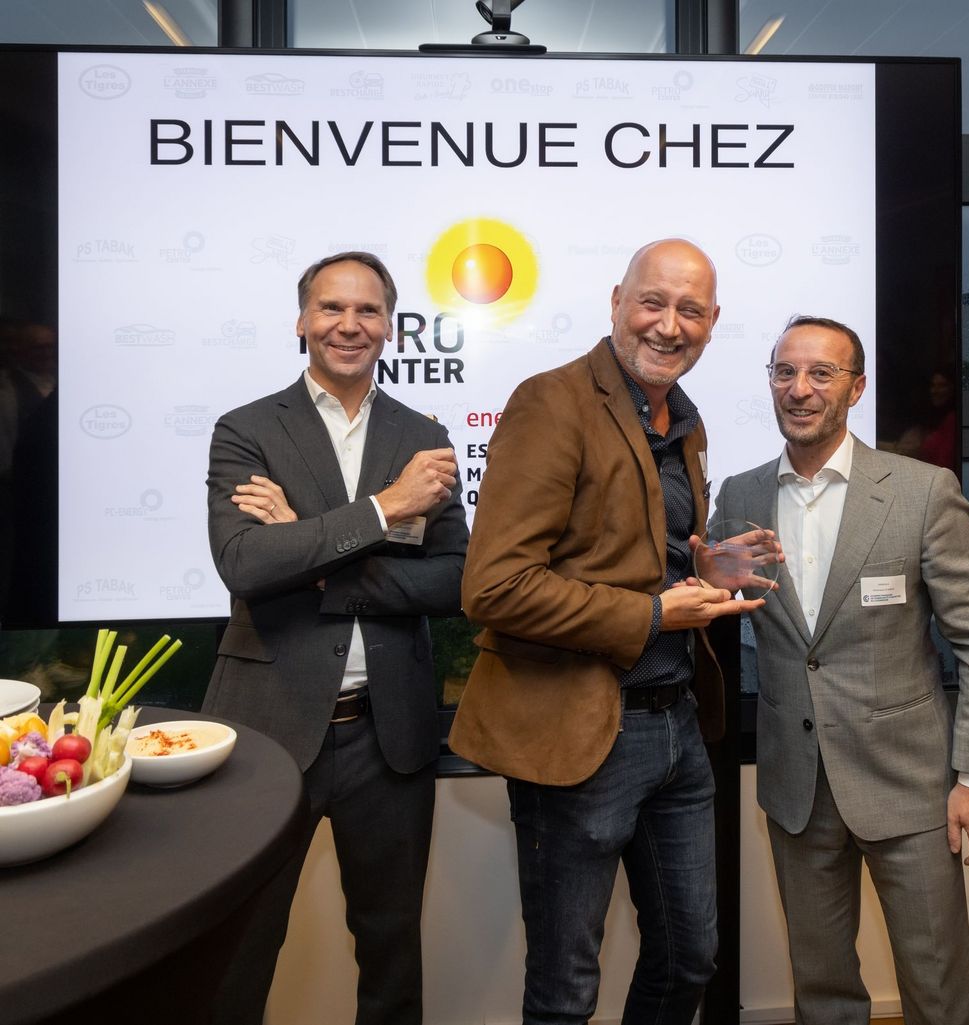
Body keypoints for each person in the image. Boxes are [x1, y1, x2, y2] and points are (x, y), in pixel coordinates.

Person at [451, 239, 762, 1025]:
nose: (669, 325)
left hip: (678, 725)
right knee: (566, 992)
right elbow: (493, 586)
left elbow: (629, 547)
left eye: (690, 310)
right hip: (578, 734)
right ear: (617, 301)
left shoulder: (683, 419)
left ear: (713, 320)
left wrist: (704, 565)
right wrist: (653, 613)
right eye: (652, 302)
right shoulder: (551, 402)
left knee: (690, 958)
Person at [712, 315, 969, 1025]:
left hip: (910, 787)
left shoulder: (921, 491)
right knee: (822, 991)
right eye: (785, 371)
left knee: (937, 987)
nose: (800, 388)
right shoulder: (739, 498)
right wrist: (706, 581)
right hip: (796, 787)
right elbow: (726, 612)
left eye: (822, 373)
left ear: (856, 387)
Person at [203, 251, 467, 1025]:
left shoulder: (423, 437)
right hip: (270, 729)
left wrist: (318, 562)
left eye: (367, 310)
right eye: (330, 308)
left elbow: (456, 579)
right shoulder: (247, 430)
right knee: (240, 952)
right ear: (302, 320)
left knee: (392, 955)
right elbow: (246, 563)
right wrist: (386, 509)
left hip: (389, 739)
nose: (348, 325)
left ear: (390, 327)